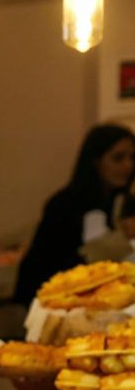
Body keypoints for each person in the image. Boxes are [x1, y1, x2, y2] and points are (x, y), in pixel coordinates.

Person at [13, 124, 135, 306]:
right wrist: (122, 236)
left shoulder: (123, 202)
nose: (128, 166)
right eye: (118, 158)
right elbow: (72, 262)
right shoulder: (67, 204)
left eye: (132, 158)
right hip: (51, 298)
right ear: (96, 161)